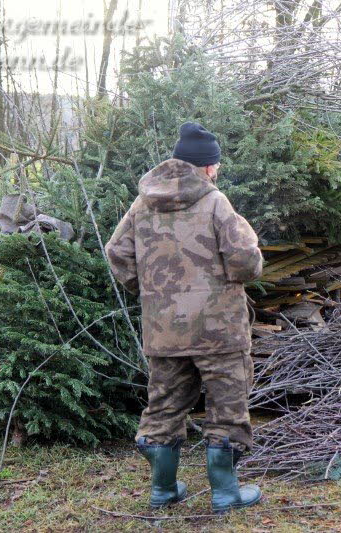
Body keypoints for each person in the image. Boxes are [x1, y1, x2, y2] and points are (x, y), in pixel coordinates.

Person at [105, 122, 263, 512]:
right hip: (219, 329)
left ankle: (163, 491)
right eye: (217, 165)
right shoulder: (214, 201)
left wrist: (149, 293)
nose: (218, 171)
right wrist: (237, 277)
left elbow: (117, 252)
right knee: (227, 407)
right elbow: (244, 258)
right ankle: (225, 494)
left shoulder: (142, 204)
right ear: (207, 167)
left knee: (163, 405)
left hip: (164, 329)